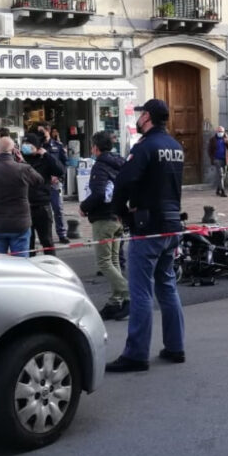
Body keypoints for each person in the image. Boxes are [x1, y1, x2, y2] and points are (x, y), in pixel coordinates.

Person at [106, 99, 186, 373]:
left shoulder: (144, 147)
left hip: (148, 227)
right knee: (167, 286)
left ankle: (136, 354)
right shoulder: (176, 146)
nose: (138, 118)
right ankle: (175, 347)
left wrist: (119, 211)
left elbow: (125, 180)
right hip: (172, 224)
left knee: (141, 291)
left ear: (148, 117)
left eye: (141, 114)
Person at [79, 132, 129, 321]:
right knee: (114, 260)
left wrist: (84, 207)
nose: (92, 149)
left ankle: (126, 294)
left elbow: (99, 194)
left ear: (96, 148)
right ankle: (115, 301)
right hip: (117, 217)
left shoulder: (100, 166)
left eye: (92, 146)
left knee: (104, 262)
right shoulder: (120, 163)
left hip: (104, 219)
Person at [0, 137, 43, 256]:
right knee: (21, 264)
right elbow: (39, 181)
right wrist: (23, 162)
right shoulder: (23, 169)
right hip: (20, 223)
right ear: (14, 150)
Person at [22, 133, 63, 256]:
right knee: (28, 243)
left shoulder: (45, 160)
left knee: (47, 241)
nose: (25, 147)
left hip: (42, 206)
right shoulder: (20, 160)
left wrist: (46, 155)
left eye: (29, 144)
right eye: (24, 144)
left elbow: (60, 170)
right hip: (25, 206)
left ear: (37, 147)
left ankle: (51, 267)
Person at [40, 123, 70, 244]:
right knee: (43, 211)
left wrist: (58, 177)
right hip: (41, 182)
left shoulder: (57, 146)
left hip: (54, 183)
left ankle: (62, 234)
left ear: (48, 131)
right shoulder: (37, 146)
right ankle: (46, 235)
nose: (40, 135)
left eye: (42, 132)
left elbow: (64, 164)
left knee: (58, 209)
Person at [206, 125, 228, 197]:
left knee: (223, 175)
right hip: (217, 159)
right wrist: (212, 158)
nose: (220, 132)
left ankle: (218, 189)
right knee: (220, 174)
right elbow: (209, 150)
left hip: (225, 159)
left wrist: (227, 142)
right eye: (219, 131)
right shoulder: (213, 139)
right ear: (216, 131)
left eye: (221, 131)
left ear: (224, 132)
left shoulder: (226, 138)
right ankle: (223, 191)